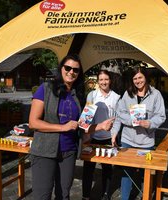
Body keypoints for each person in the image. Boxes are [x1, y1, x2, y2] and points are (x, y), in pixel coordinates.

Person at [29, 55, 112, 200]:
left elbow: (81, 126)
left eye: (76, 70)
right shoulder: (46, 88)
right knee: (42, 196)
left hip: (68, 152)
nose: (71, 72)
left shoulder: (77, 96)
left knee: (64, 195)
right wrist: (63, 127)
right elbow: (33, 123)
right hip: (44, 151)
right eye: (68, 68)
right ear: (61, 68)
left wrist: (100, 126)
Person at [111, 66, 166, 200]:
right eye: (135, 78)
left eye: (140, 77)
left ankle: (145, 196)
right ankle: (125, 198)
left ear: (146, 77)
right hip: (127, 140)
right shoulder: (127, 93)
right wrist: (130, 122)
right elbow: (120, 114)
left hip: (146, 142)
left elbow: (161, 116)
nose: (137, 81)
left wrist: (150, 123)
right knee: (126, 173)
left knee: (145, 174)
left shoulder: (156, 94)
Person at [82, 70, 120, 200]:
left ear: (110, 81)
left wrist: (114, 136)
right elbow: (87, 118)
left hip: (108, 138)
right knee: (88, 169)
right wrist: (86, 135)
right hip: (92, 137)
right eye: (101, 79)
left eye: (106, 79)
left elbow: (117, 119)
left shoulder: (116, 97)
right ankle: (85, 196)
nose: (103, 82)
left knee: (107, 170)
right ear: (98, 81)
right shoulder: (92, 95)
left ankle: (105, 195)